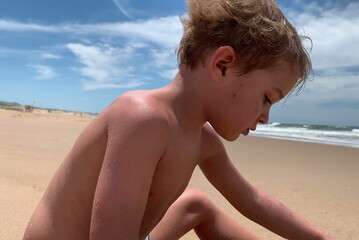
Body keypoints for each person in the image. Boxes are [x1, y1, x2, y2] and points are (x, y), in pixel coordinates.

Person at [24, 0, 333, 239]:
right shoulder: (142, 119)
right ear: (223, 65)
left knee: (195, 204)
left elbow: (252, 199)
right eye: (267, 98)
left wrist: (319, 237)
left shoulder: (202, 140)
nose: (265, 117)